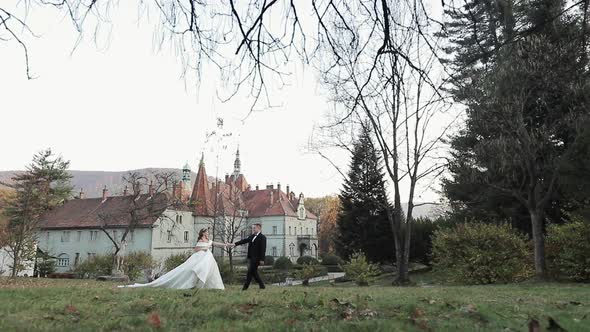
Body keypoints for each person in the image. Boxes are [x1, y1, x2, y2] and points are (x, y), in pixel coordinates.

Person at [118, 228, 230, 290]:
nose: (208, 233)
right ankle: (194, 284)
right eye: (206, 232)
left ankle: (205, 285)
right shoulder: (201, 241)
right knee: (189, 270)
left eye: (208, 232)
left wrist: (227, 245)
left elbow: (217, 244)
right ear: (203, 234)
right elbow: (196, 249)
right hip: (199, 257)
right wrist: (205, 248)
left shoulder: (209, 241)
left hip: (207, 259)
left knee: (207, 270)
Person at [234, 223, 266, 290]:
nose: (253, 229)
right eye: (253, 228)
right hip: (251, 257)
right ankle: (249, 287)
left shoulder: (262, 237)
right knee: (251, 272)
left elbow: (263, 249)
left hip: (257, 258)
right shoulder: (252, 236)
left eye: (255, 228)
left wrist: (262, 259)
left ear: (259, 228)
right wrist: (235, 244)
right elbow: (244, 241)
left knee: (251, 271)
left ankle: (260, 285)